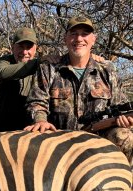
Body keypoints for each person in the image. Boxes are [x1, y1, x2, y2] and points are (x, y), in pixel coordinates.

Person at [24, 16, 133, 168]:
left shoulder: (107, 70)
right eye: (74, 33)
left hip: (98, 138)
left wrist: (123, 120)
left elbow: (120, 106)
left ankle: (123, 186)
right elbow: (36, 102)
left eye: (85, 34)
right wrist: (41, 120)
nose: (79, 38)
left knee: (125, 136)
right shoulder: (49, 68)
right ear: (65, 38)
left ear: (93, 39)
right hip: (58, 139)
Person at [0, 27, 104, 133]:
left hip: (26, 123)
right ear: (13, 47)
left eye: (29, 47)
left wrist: (90, 59)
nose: (25, 52)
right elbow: (5, 73)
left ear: (36, 48)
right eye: (20, 47)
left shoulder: (45, 67)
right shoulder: (3, 62)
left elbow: (71, 60)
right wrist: (38, 62)